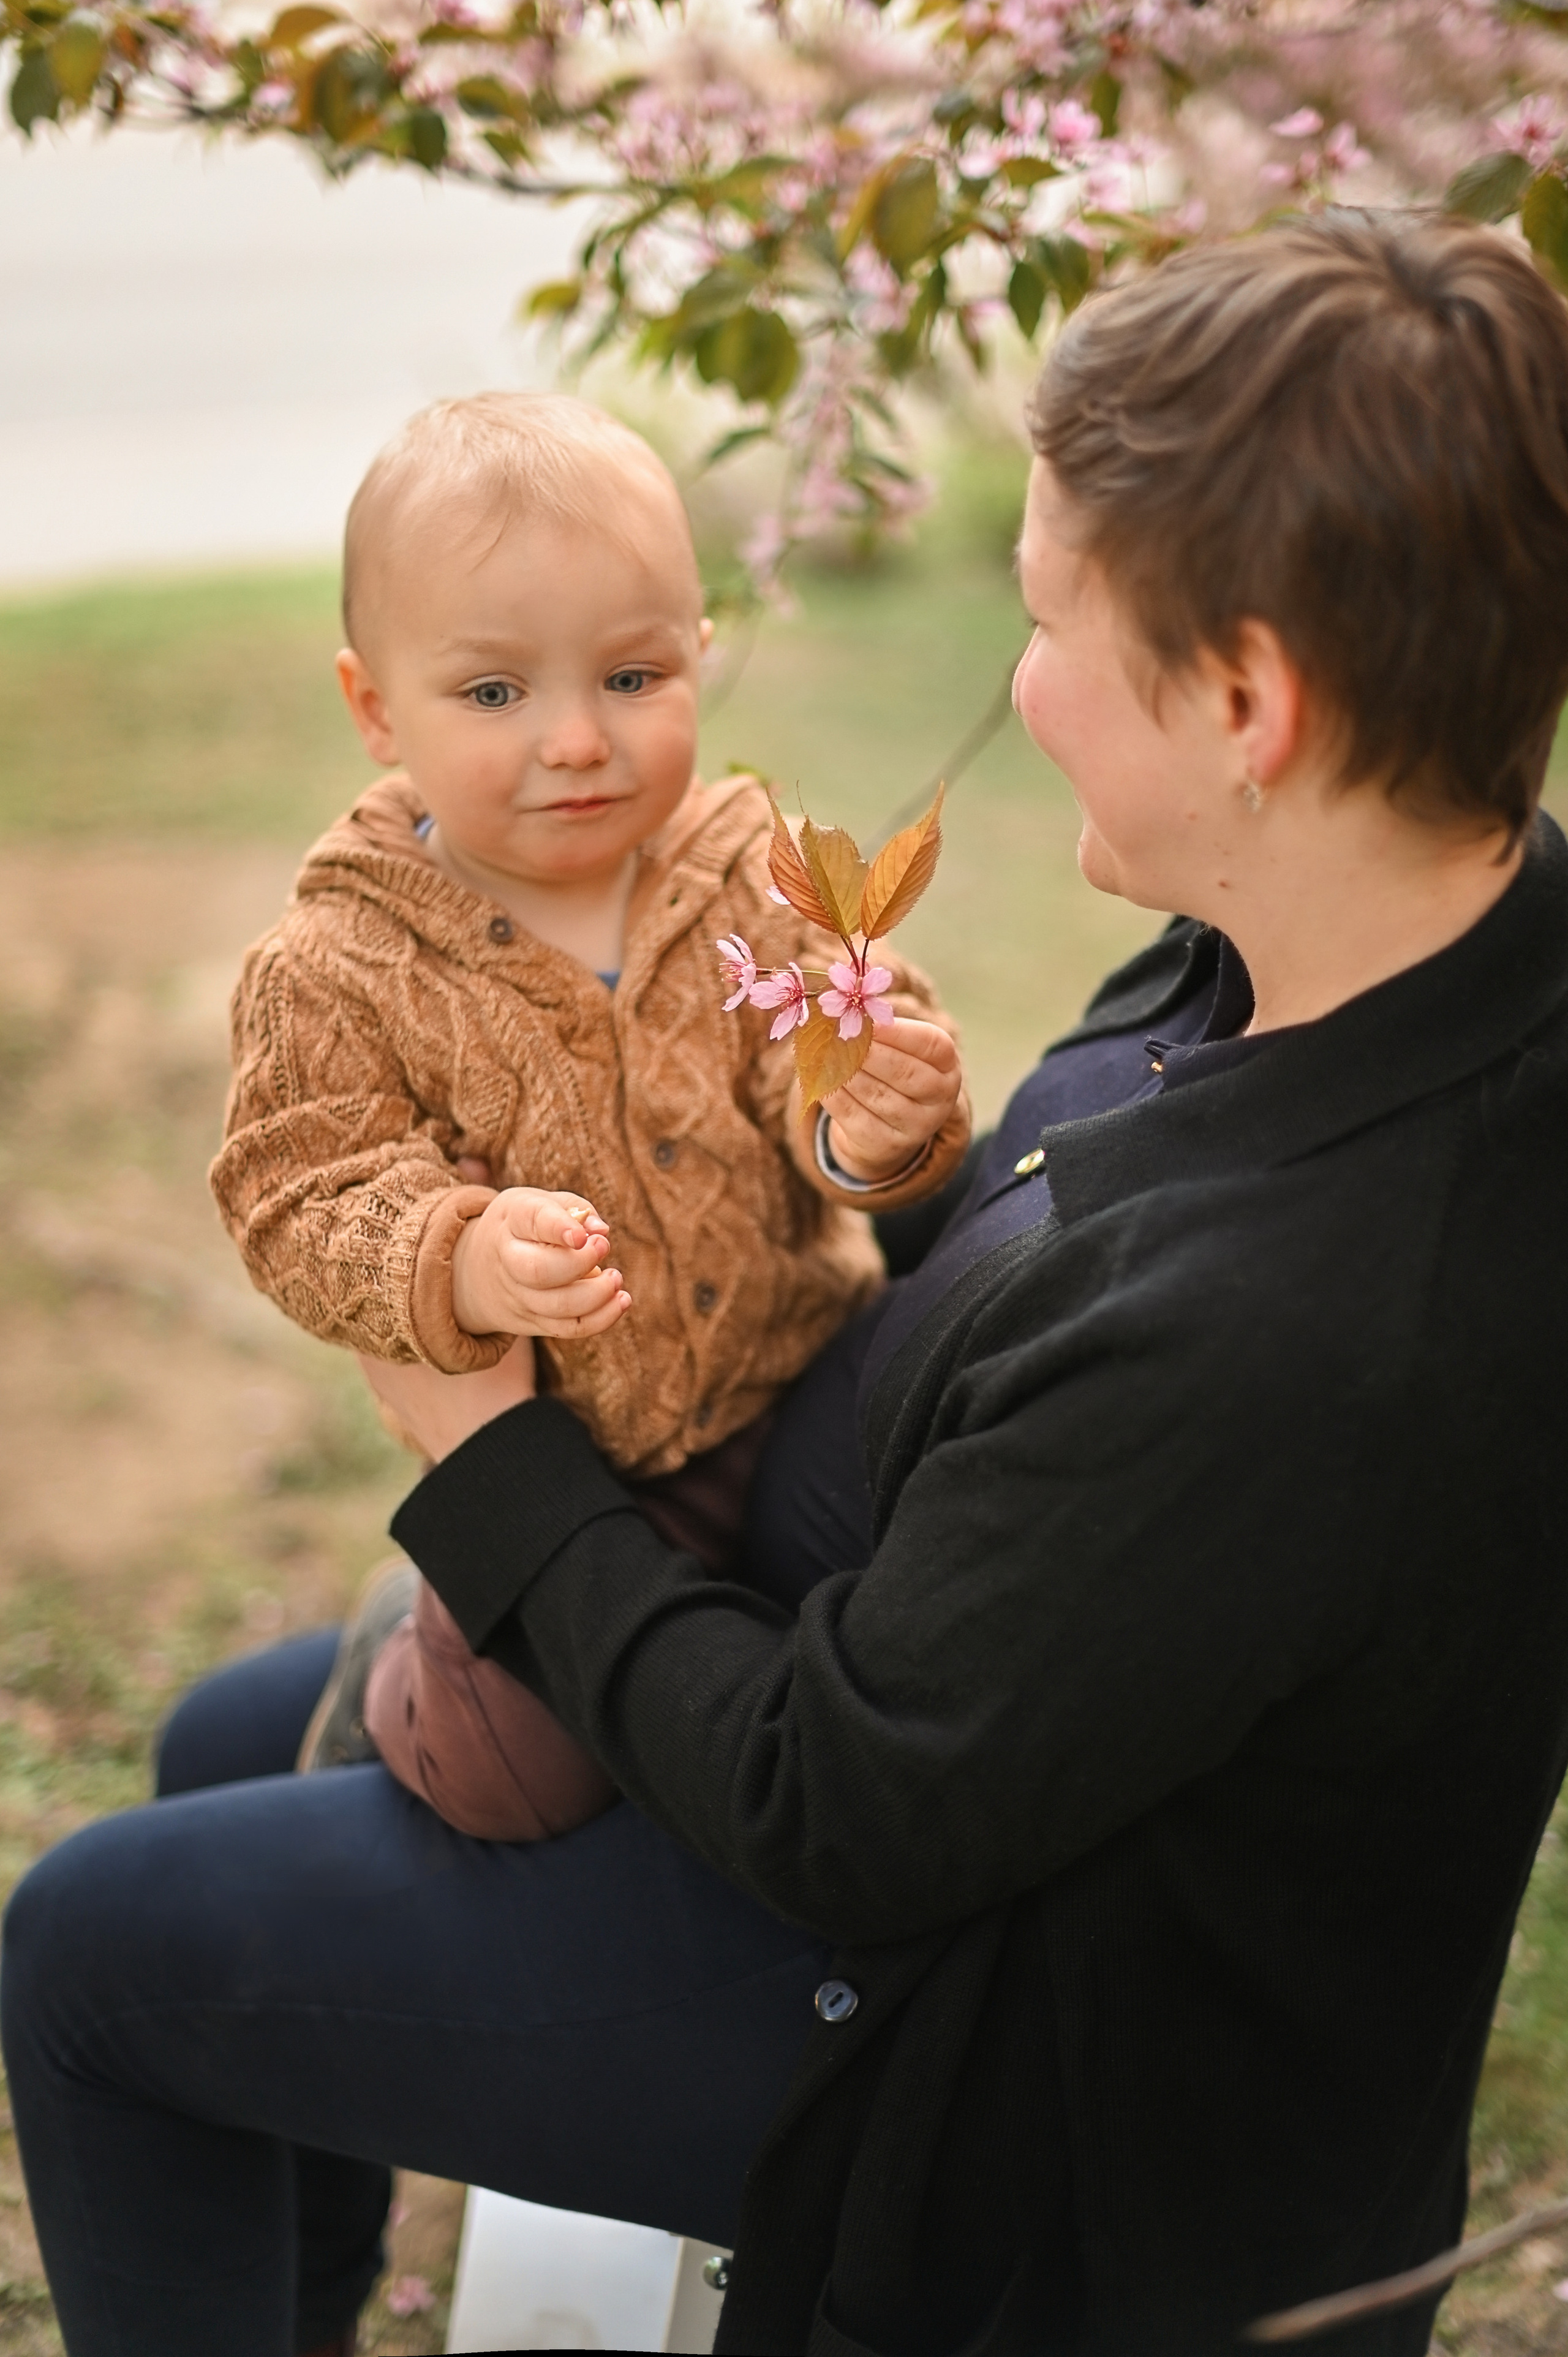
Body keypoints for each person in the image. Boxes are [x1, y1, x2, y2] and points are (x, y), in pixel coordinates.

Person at [6, 208, 1568, 2357]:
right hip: (883, 1661)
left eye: (1045, 624)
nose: (1010, 692)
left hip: (959, 2031)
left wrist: (488, 1451)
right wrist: (850, 1145)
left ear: (1245, 697)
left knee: (86, 1951)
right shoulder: (1324, 941)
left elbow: (831, 1808)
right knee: (214, 1739)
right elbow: (1020, 1256)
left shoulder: (1318, 1317)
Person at [208, 390, 968, 1839]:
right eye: (494, 694)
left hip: (802, 1359)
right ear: (376, 710)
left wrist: (871, 1126)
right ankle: (403, 1663)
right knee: (510, 1787)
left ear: (698, 653)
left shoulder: (749, 869)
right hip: (579, 1465)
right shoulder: (338, 965)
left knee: (911, 1600)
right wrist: (459, 1254)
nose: (576, 741)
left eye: (632, 676)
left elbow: (817, 1069)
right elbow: (293, 1195)